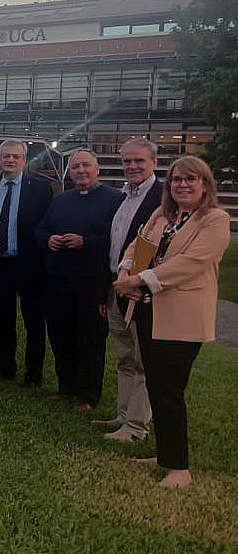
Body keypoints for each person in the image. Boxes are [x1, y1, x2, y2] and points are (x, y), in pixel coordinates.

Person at [115, 156, 229, 488]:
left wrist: (138, 281)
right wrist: (125, 270)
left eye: (191, 179)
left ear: (205, 184)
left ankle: (180, 468)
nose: (183, 184)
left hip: (182, 317)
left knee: (169, 389)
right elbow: (138, 246)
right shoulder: (162, 215)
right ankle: (165, 454)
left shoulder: (215, 220)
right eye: (177, 179)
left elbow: (190, 263)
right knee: (156, 384)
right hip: (149, 311)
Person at [36, 149, 123, 411]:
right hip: (58, 282)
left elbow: (118, 241)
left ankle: (88, 396)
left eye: (86, 166)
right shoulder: (61, 200)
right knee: (61, 337)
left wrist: (85, 242)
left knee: (89, 340)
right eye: (75, 167)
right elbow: (41, 229)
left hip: (91, 284)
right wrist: (48, 240)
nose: (81, 171)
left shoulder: (113, 199)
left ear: (97, 169)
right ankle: (66, 388)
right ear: (69, 172)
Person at [97, 138, 162, 442]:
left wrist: (137, 281)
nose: (132, 166)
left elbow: (161, 247)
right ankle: (123, 417)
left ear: (154, 163)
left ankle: (137, 426)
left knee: (141, 359)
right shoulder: (121, 196)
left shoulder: (164, 198)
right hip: (114, 287)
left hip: (140, 291)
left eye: (139, 161)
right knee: (124, 357)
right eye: (127, 161)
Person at [0, 139, 52, 386]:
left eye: (15, 157)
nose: (10, 160)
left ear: (24, 159)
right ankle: (5, 367)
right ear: (0, 159)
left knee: (33, 321)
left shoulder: (40, 189)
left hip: (29, 264)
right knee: (3, 319)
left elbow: (46, 226)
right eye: (6, 156)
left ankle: (33, 374)